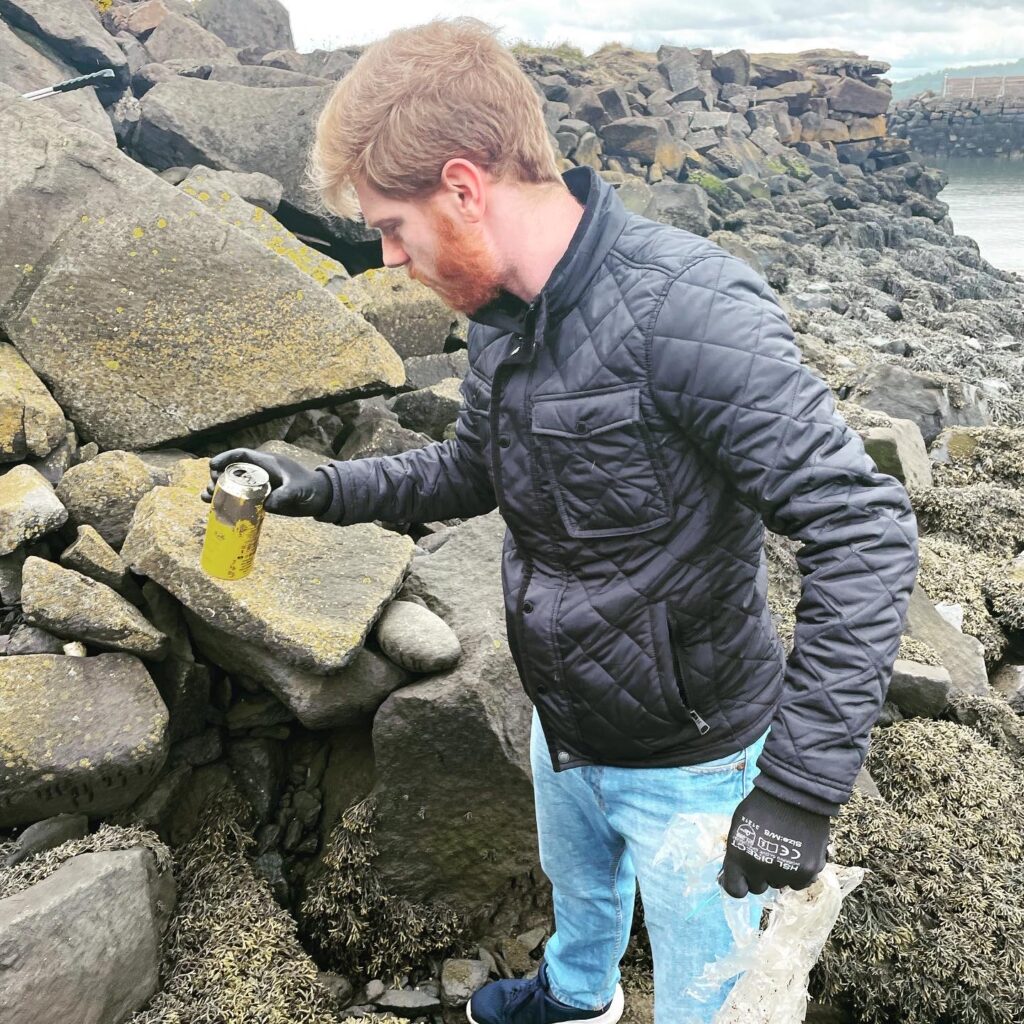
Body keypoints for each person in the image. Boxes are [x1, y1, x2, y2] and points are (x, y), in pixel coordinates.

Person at [202, 17, 919, 1024]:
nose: (390, 257)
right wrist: (318, 486)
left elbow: (863, 526)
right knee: (578, 897)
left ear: (463, 187)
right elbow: (466, 470)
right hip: (564, 725)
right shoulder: (499, 322)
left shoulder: (689, 308)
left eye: (393, 226)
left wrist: (799, 788)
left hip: (695, 767)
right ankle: (579, 998)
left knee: (712, 1005)